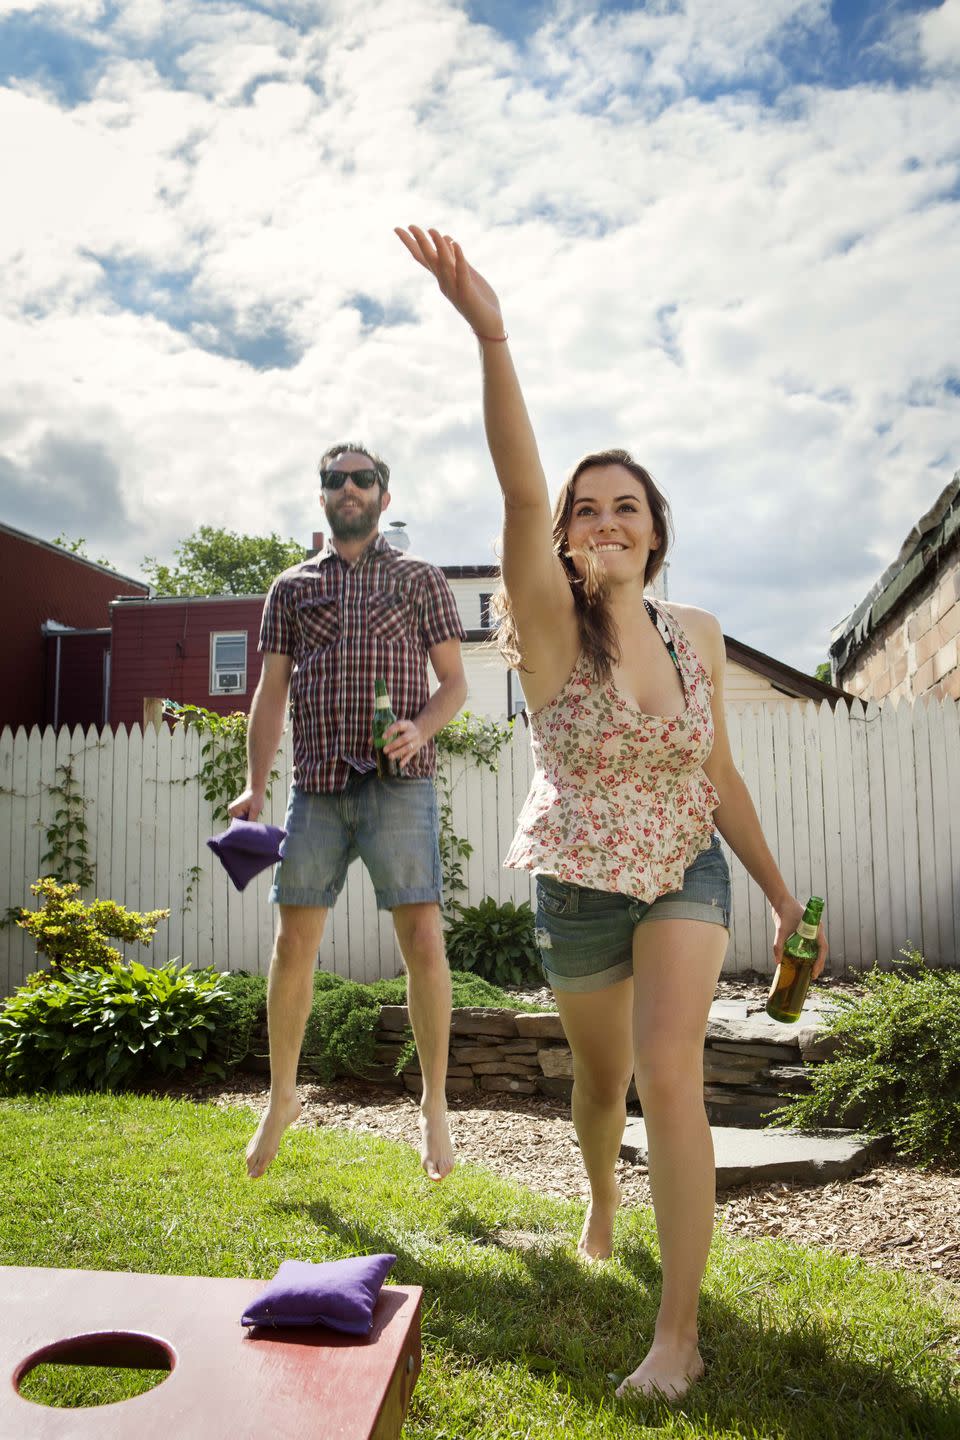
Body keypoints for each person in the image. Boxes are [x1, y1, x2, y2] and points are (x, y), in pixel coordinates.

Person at [396, 226, 828, 1400]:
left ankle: (677, 1333)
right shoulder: (544, 621)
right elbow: (520, 482)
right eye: (587, 510)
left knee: (670, 1073)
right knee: (601, 1089)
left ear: (656, 528)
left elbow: (718, 780)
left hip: (686, 872)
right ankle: (599, 1197)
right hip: (580, 885)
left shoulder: (697, 637)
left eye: (625, 506)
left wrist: (786, 900)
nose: (602, 521)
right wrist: (492, 332)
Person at [229, 441, 468, 1183]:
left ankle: (433, 1103)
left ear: (384, 497)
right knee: (292, 945)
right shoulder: (292, 588)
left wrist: (421, 726)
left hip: (402, 781)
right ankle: (281, 1097)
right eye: (336, 479)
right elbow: (270, 694)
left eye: (363, 478)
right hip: (320, 784)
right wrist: (254, 786)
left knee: (423, 939)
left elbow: (455, 684)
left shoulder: (421, 579)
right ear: (323, 495)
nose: (350, 488)